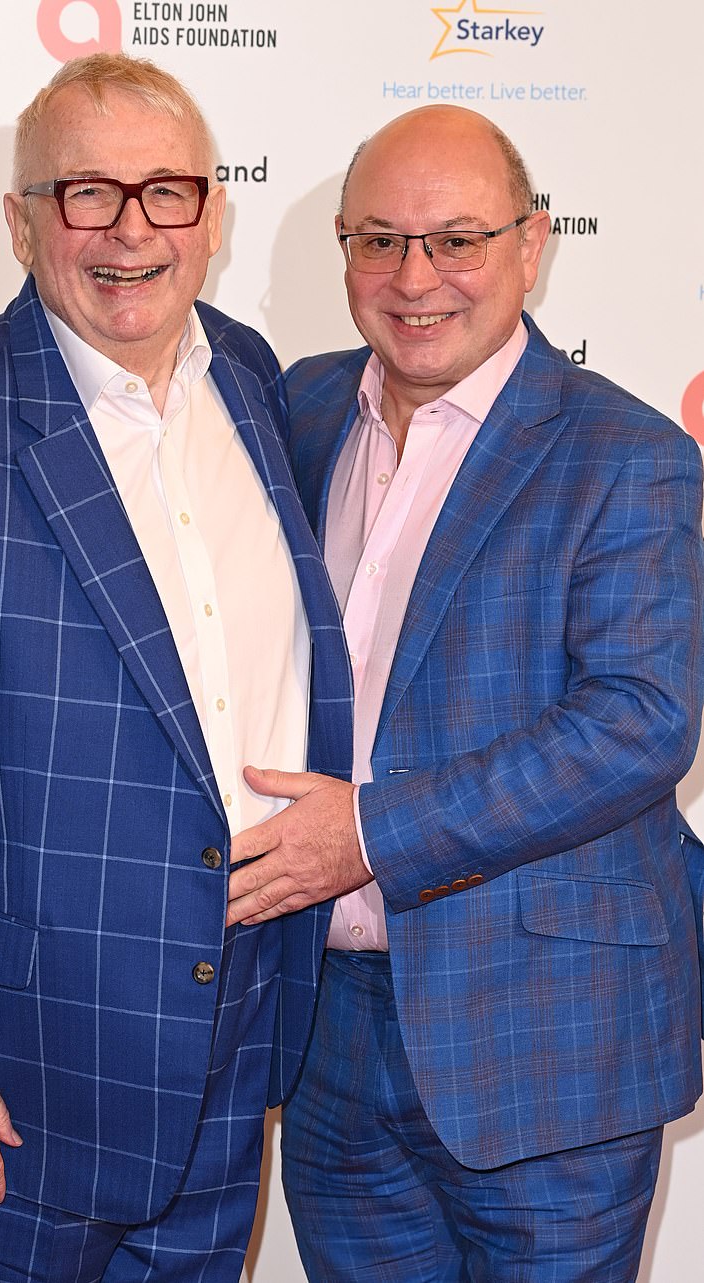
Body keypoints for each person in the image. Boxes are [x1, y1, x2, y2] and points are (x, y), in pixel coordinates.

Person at [0, 54, 351, 1282]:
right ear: (22, 219)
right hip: (1, 1096)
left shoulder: (247, 381)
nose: (131, 229)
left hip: (226, 1052)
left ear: (213, 214)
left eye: (167, 193)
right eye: (86, 192)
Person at [226, 105, 704, 1281]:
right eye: (377, 240)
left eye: (456, 239)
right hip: (328, 1033)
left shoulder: (626, 454)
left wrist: (368, 833)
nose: (413, 276)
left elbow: (637, 721)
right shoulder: (296, 408)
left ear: (530, 245)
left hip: (544, 1041)